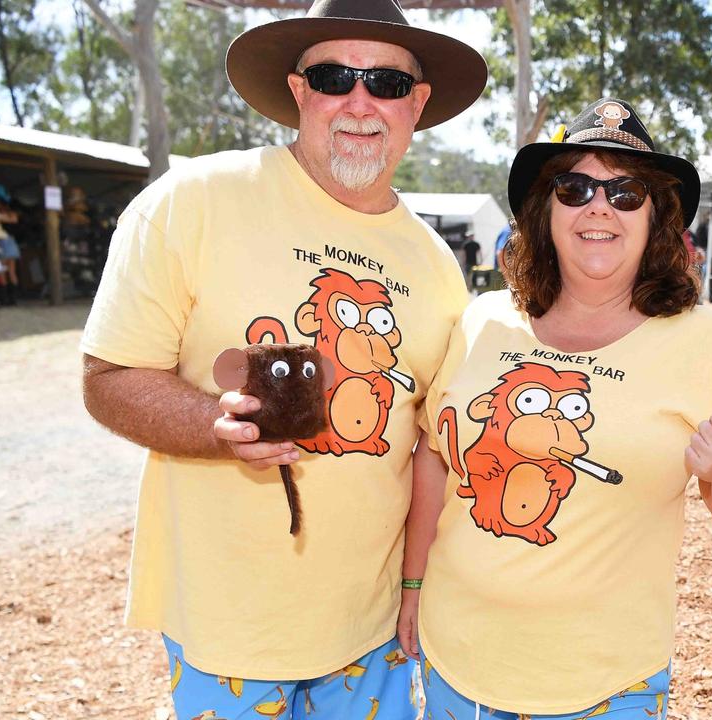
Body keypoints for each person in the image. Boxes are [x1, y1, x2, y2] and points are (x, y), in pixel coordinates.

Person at [78, 2, 487, 718]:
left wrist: (424, 587)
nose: (360, 102)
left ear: (417, 104)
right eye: (334, 76)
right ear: (300, 90)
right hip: (229, 628)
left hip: (372, 630)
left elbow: (433, 446)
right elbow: (109, 378)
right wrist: (215, 425)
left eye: (387, 84)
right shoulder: (191, 202)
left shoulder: (436, 267)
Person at [398, 98, 712, 719]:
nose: (598, 206)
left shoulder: (704, 339)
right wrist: (411, 585)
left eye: (625, 192)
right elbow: (434, 461)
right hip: (458, 661)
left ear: (655, 214)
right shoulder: (483, 320)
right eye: (574, 188)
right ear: (544, 209)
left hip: (609, 680)